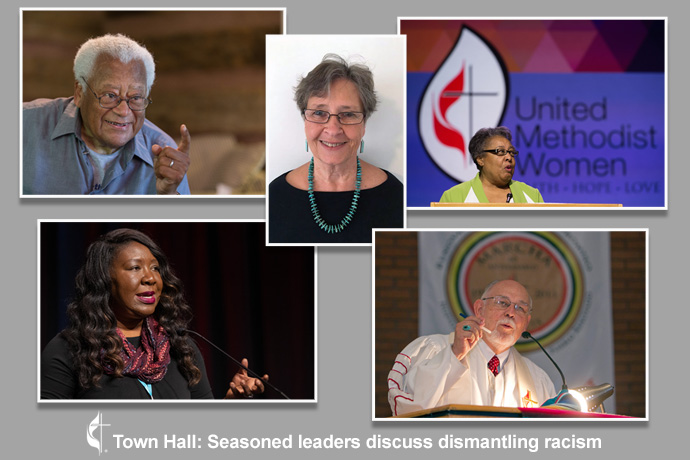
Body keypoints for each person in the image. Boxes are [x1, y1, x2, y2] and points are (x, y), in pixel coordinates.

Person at [41, 228, 266, 399]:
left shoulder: (181, 348)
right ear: (104, 280)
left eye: (155, 268)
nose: (150, 278)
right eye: (135, 268)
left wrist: (231, 400)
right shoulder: (70, 350)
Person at [23, 34, 191, 195]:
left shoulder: (163, 152)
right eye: (110, 96)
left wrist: (169, 196)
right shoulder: (22, 124)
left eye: (136, 97)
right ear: (79, 93)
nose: (124, 111)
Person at [268, 54, 403, 244]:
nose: (333, 130)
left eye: (348, 114)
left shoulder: (396, 196)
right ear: (304, 120)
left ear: (364, 124)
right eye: (319, 113)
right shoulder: (275, 196)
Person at [387, 280, 555, 416]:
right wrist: (453, 355)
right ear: (479, 310)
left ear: (526, 322)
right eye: (502, 303)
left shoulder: (538, 380)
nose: (511, 313)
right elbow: (408, 410)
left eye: (520, 308)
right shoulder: (433, 349)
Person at [439, 127, 543, 204]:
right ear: (480, 159)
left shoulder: (532, 195)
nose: (509, 157)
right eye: (500, 151)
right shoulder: (454, 197)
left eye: (511, 152)